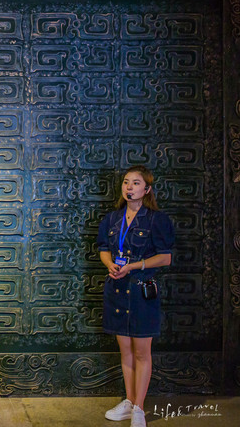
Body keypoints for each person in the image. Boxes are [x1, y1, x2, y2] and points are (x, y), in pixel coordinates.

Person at [97, 165, 174, 427]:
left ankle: (139, 408)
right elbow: (104, 248)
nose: (129, 187)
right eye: (126, 182)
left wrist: (133, 266)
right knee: (126, 352)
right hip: (117, 290)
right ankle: (129, 402)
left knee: (142, 352)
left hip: (141, 291)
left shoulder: (156, 220)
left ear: (147, 189)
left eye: (136, 183)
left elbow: (165, 258)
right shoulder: (112, 219)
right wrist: (110, 264)